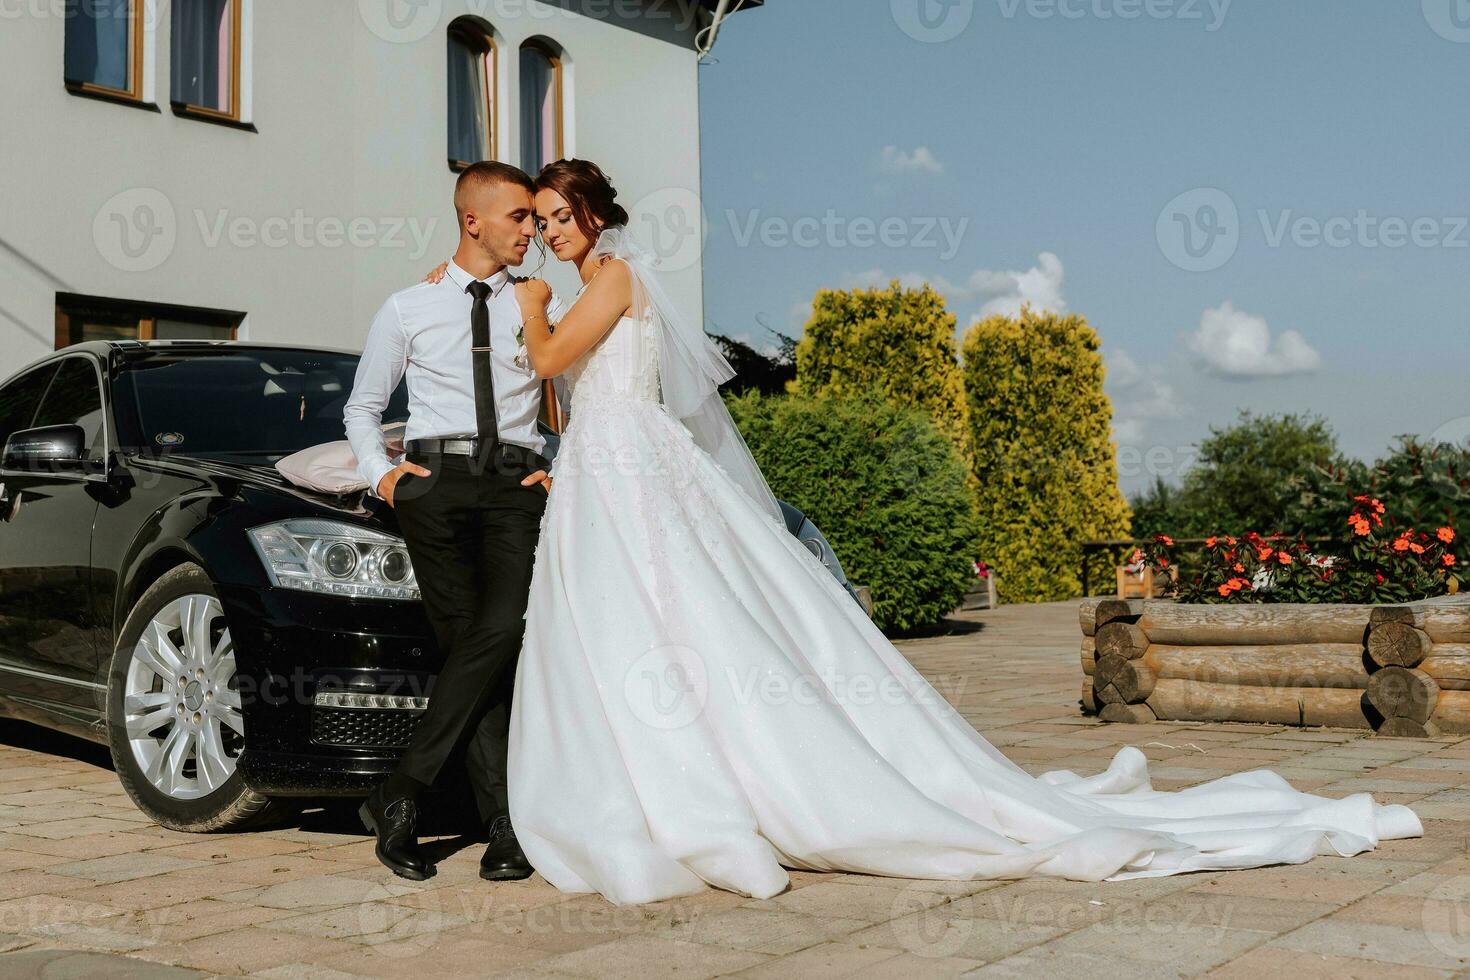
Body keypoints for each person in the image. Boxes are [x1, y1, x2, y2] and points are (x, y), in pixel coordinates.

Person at [437, 159, 1422, 906]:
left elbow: (554, 354)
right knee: (621, 630)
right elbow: (570, 395)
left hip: (634, 474)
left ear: (595, 217)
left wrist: (528, 309)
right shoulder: (585, 287)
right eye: (545, 222)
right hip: (597, 476)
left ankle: (724, 784)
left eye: (563, 218)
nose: (554, 234)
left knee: (675, 616)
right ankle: (643, 778)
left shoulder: (608, 280)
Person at [343, 161, 556, 883]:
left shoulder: (537, 302)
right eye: (520, 217)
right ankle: (503, 826)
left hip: (515, 483)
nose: (534, 230)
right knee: (473, 648)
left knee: (500, 631)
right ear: (474, 221)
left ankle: (402, 790)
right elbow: (362, 407)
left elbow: (575, 383)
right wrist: (386, 477)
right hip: (436, 484)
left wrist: (563, 460)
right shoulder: (409, 306)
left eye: (535, 217)